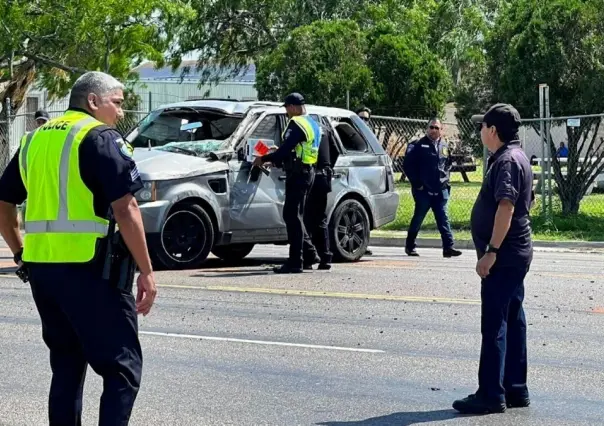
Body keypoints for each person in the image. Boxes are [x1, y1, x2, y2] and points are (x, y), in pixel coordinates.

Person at [0, 71, 157, 425]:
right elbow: (126, 207)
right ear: (92, 101)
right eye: (116, 103)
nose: (120, 112)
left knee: (67, 365)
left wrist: (19, 250)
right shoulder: (99, 137)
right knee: (122, 368)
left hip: (42, 271)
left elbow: (4, 203)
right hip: (90, 269)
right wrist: (146, 271)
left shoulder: (34, 140)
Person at [453, 103, 534, 414]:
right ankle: (515, 389)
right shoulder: (516, 156)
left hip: (505, 254)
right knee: (513, 319)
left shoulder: (506, 161)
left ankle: (490, 393)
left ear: (493, 131)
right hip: (516, 252)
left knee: (495, 323)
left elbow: (506, 207)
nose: (480, 132)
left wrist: (492, 251)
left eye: (482, 126)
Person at [253, 92, 320, 274]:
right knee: (296, 215)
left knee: (291, 216)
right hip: (308, 171)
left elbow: (285, 151)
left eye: (287, 108)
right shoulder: (313, 123)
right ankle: (309, 255)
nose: (287, 112)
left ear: (292, 106)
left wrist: (264, 158)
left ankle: (295, 261)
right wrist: (279, 152)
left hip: (298, 174)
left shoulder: (296, 123)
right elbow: (295, 148)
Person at [402, 118, 462, 258]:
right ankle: (410, 246)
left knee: (443, 218)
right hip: (423, 191)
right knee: (418, 218)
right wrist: (418, 184)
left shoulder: (444, 145)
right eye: (431, 127)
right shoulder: (417, 145)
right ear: (427, 128)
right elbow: (408, 166)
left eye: (436, 127)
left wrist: (445, 181)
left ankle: (448, 247)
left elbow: (447, 164)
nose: (433, 130)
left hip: (440, 189)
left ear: (442, 130)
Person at [303, 121, 337, 270]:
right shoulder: (325, 129)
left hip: (310, 176)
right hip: (324, 177)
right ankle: (325, 257)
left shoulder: (304, 128)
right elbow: (335, 150)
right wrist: (327, 166)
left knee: (306, 219)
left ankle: (308, 258)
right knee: (320, 219)